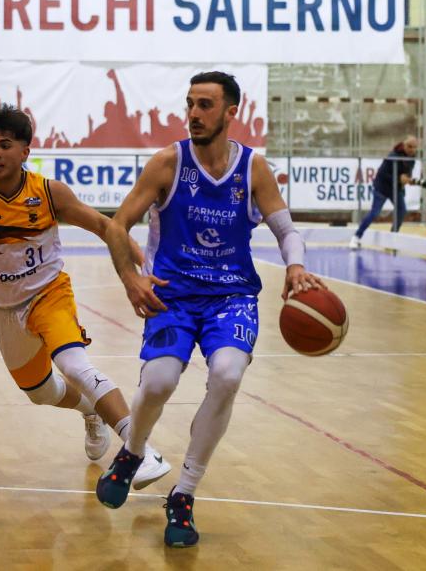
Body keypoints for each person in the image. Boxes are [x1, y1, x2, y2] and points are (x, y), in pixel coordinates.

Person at [94, 72, 325, 548]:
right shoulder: (168, 162)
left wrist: (296, 266)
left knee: (227, 375)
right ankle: (132, 452)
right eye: (190, 104)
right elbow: (118, 225)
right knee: (159, 382)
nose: (194, 114)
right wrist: (131, 278)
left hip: (232, 296)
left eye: (205, 105)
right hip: (172, 295)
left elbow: (287, 231)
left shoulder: (253, 168)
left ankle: (184, 494)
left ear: (230, 111)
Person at [0, 105, 171, 487]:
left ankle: (141, 451)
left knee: (75, 366)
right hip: (3, 309)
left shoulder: (49, 192)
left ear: (25, 151)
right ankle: (91, 411)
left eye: (5, 145)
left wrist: (135, 263)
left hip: (48, 294)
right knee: (39, 393)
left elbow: (104, 225)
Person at [349, 135, 426, 249]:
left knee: (402, 210)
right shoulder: (393, 156)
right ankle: (356, 237)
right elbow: (382, 174)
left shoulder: (412, 159)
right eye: (410, 146)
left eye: (415, 147)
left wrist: (412, 181)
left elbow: (407, 176)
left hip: (396, 189)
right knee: (374, 213)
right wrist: (399, 179)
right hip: (382, 187)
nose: (412, 149)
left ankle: (392, 238)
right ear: (404, 145)